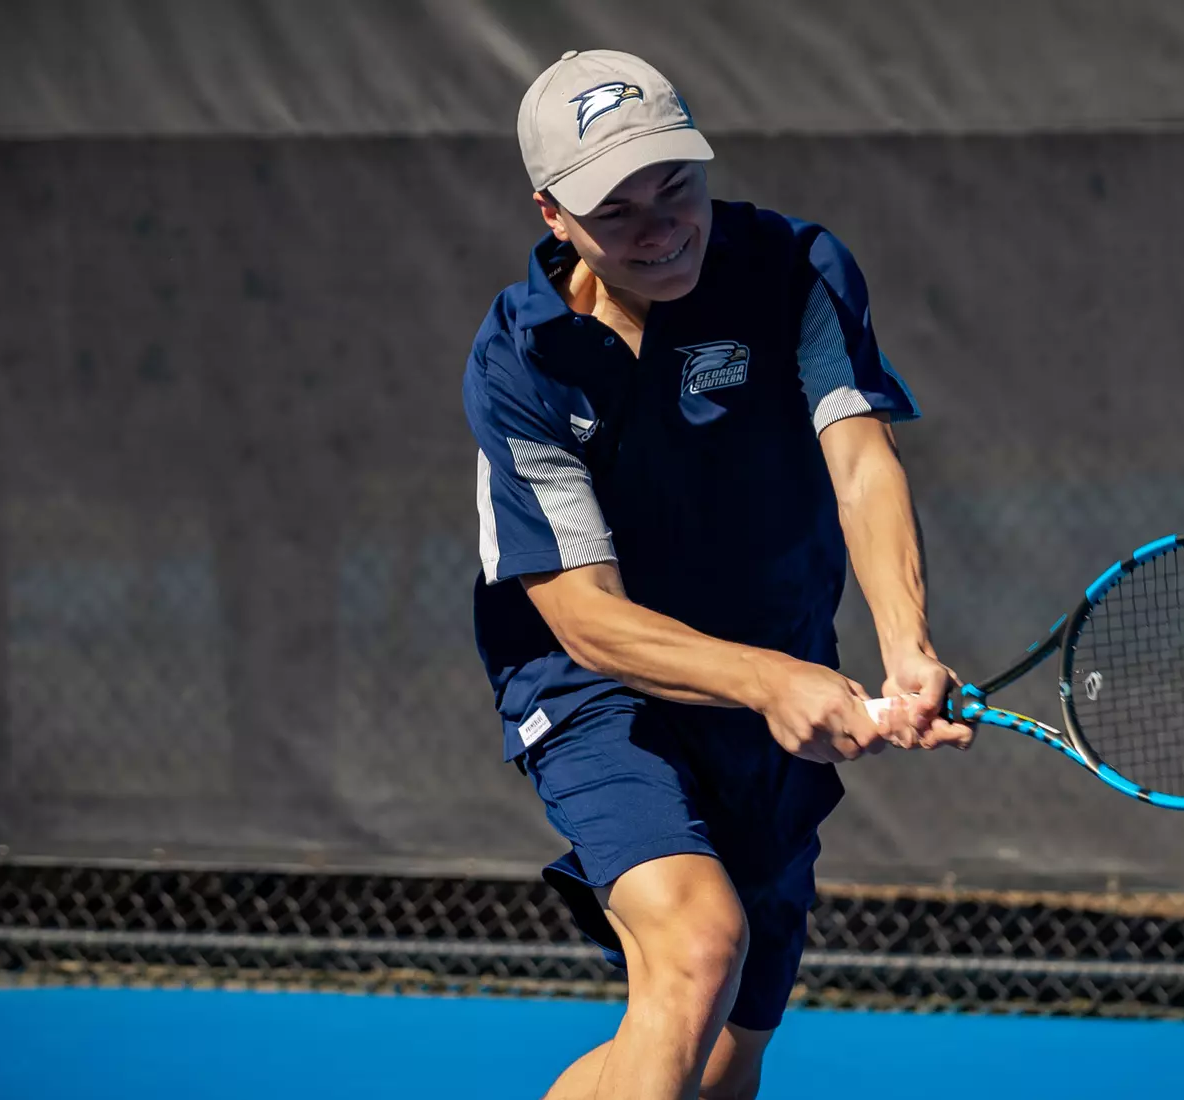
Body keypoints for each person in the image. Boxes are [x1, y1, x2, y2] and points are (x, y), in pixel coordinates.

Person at [463, 48, 972, 1100]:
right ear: (553, 214)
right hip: (598, 688)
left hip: (773, 665)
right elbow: (587, 617)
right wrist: (769, 681)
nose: (661, 228)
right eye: (617, 210)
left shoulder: (795, 271)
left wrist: (907, 645)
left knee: (723, 1063)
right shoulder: (521, 363)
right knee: (697, 946)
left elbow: (861, 463)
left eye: (675, 187)